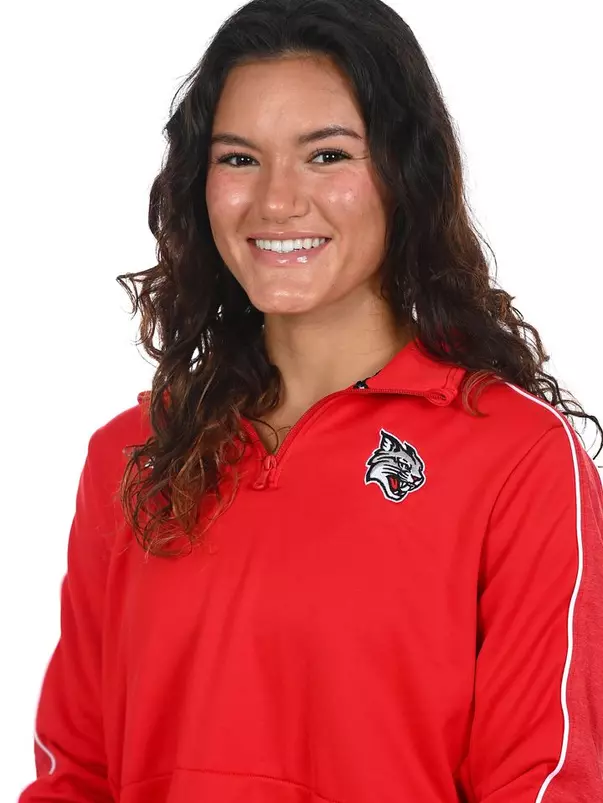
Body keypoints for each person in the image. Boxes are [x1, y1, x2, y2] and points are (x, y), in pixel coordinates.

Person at [19, 0, 603, 801]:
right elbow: (76, 774)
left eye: (326, 155)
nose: (276, 201)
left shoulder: (514, 455)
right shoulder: (134, 453)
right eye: (238, 158)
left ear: (405, 174)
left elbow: (541, 779)